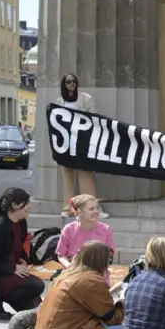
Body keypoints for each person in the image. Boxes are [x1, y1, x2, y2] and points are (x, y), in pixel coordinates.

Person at [35, 241, 124, 329]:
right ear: (101, 261)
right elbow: (112, 319)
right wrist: (123, 300)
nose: (109, 265)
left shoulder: (67, 274)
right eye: (109, 260)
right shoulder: (92, 280)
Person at [0, 187, 44, 320]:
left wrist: (22, 260)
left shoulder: (21, 222)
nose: (29, 206)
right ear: (14, 205)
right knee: (36, 284)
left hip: (8, 271)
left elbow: (19, 246)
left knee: (38, 313)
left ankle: (12, 303)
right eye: (26, 203)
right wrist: (13, 268)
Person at [56, 73, 108, 219]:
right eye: (68, 82)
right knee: (68, 176)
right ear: (64, 85)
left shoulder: (86, 99)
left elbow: (94, 118)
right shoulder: (59, 102)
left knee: (86, 175)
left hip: (83, 142)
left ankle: (93, 208)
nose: (72, 84)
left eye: (74, 81)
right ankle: (68, 209)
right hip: (66, 144)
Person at [55, 194, 116, 285]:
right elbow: (61, 255)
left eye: (97, 208)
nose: (96, 211)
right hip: (73, 272)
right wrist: (70, 267)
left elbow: (110, 255)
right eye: (91, 209)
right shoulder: (68, 229)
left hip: (97, 273)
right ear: (79, 211)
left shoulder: (105, 229)